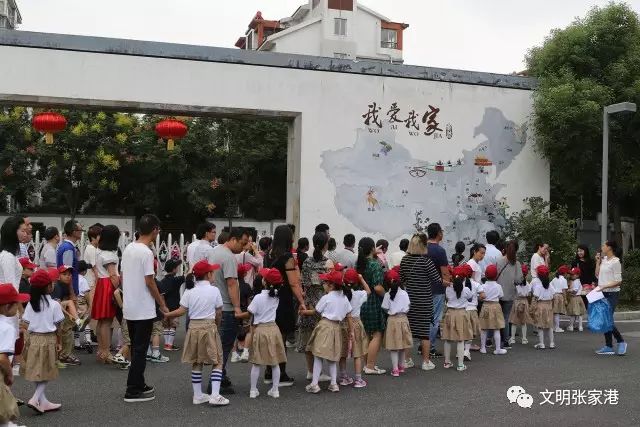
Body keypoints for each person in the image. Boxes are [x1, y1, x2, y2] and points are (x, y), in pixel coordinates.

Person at [164, 260, 228, 406]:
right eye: (212, 271)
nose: (214, 274)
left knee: (197, 361)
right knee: (218, 360)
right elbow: (219, 312)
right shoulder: (214, 290)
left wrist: (168, 315)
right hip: (209, 326)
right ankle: (215, 395)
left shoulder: (189, 291)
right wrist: (217, 326)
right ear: (208, 274)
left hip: (193, 328)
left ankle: (198, 395)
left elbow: (182, 310)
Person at [121, 214, 167, 403]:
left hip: (130, 306)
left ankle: (139, 383)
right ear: (155, 229)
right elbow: (150, 281)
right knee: (140, 349)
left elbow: (124, 275)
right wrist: (161, 303)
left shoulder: (129, 248)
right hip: (143, 308)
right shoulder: (147, 252)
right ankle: (132, 390)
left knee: (136, 347)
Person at [207, 227, 250, 394]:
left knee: (219, 345)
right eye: (243, 243)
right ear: (233, 239)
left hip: (214, 307)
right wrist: (237, 307)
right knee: (224, 347)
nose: (244, 247)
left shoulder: (214, 251)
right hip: (226, 307)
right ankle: (215, 383)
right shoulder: (230, 257)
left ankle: (221, 378)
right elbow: (232, 283)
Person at [262, 225, 306, 387]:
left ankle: (269, 371)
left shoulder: (270, 254)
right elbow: (294, 283)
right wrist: (302, 301)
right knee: (281, 337)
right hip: (283, 298)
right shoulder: (287, 257)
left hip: (271, 298)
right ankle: (280, 374)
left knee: (272, 336)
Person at [300, 269, 352, 394]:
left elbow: (317, 311)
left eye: (325, 282)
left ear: (331, 285)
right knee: (333, 357)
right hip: (337, 328)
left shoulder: (326, 297)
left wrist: (304, 311)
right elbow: (349, 314)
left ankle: (314, 384)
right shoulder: (344, 298)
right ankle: (333, 384)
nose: (323, 284)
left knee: (318, 355)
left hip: (325, 326)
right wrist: (351, 332)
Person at [20, 269, 64, 414]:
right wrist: (59, 343)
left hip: (33, 339)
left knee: (36, 370)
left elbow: (25, 324)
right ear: (48, 287)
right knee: (47, 370)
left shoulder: (31, 304)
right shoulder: (55, 305)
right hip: (48, 339)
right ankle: (35, 398)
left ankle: (43, 401)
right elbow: (59, 326)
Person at [242, 267, 287, 399]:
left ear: (264, 282)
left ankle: (253, 390)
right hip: (273, 329)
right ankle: (275, 390)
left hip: (260, 329)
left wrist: (237, 315)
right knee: (275, 361)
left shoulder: (258, 297)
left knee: (256, 362)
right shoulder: (277, 296)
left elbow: (249, 313)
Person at [399, 233, 440, 371]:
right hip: (424, 299)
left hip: (409, 300)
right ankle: (426, 361)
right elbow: (436, 279)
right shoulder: (426, 262)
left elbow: (402, 279)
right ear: (422, 246)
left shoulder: (405, 260)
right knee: (424, 332)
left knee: (409, 330)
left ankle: (407, 360)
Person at [298, 232, 333, 379]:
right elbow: (328, 286)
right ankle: (319, 372)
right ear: (326, 244)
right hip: (323, 302)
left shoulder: (307, 262)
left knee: (308, 337)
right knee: (321, 339)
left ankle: (310, 371)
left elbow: (304, 283)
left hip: (309, 302)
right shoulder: (328, 263)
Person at [91, 224, 123, 365]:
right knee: (107, 321)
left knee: (101, 321)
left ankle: (101, 350)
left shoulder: (99, 252)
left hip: (101, 285)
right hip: (108, 285)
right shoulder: (109, 255)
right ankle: (106, 352)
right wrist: (121, 289)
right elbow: (113, 275)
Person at [0, 283, 29, 427]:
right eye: (16, 304)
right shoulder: (7, 328)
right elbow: (2, 358)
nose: (19, 307)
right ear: (6, 307)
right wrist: (9, 374)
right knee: (3, 407)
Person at [358, 237, 387, 375]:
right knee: (376, 334)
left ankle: (366, 364)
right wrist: (386, 295)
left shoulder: (359, 264)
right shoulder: (375, 265)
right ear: (371, 249)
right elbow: (377, 287)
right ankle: (370, 365)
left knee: (365, 335)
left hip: (361, 302)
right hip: (374, 301)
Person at [338, 268, 370, 388]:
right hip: (356, 324)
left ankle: (343, 377)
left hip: (342, 324)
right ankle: (358, 379)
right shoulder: (359, 294)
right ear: (356, 282)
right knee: (358, 352)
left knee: (342, 352)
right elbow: (368, 291)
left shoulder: (340, 294)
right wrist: (361, 279)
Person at [594, 240, 626, 356]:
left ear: (610, 248)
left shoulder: (615, 261)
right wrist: (598, 262)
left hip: (612, 293)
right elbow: (597, 274)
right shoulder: (604, 260)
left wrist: (604, 286)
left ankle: (621, 341)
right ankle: (608, 346)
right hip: (602, 293)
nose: (602, 247)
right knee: (604, 320)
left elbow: (618, 281)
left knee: (607, 318)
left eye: (604, 245)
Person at [442, 265, 475, 371]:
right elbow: (470, 298)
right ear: (464, 278)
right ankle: (460, 365)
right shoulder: (466, 290)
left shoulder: (448, 288)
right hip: (461, 314)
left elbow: (447, 299)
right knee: (461, 340)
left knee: (447, 339)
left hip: (450, 313)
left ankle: (447, 362)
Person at [426, 223, 451, 358]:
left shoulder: (422, 248)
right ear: (438, 233)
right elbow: (445, 272)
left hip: (423, 288)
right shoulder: (439, 251)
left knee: (425, 318)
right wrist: (448, 285)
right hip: (437, 288)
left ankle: (423, 345)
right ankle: (430, 347)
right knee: (435, 319)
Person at [381, 268, 412, 377]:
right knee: (402, 345)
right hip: (403, 319)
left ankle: (395, 369)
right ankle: (401, 366)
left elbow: (384, 307)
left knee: (393, 346)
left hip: (392, 320)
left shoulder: (387, 295)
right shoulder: (404, 293)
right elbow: (408, 307)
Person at [51, 265, 81, 366]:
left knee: (68, 332)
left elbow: (74, 299)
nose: (68, 276)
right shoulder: (57, 286)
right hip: (54, 312)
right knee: (65, 332)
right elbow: (58, 305)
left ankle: (65, 355)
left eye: (69, 274)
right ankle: (63, 356)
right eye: (64, 274)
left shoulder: (67, 286)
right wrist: (70, 315)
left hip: (60, 312)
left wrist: (71, 286)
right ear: (58, 276)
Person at [495, 240, 523, 349]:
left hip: (498, 294)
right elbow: (518, 280)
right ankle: (505, 341)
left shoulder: (499, 261)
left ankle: (489, 340)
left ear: (505, 248)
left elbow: (494, 275)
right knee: (506, 318)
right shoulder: (516, 263)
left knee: (496, 317)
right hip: (510, 294)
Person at [478, 265, 507, 355]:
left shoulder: (483, 286)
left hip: (485, 306)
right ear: (496, 275)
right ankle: (497, 348)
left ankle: (483, 348)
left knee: (484, 328)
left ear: (486, 275)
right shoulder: (498, 286)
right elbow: (501, 296)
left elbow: (480, 297)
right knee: (497, 328)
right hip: (495, 306)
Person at [158, 259, 185, 351]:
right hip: (174, 306)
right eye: (177, 267)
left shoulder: (162, 281)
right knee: (173, 325)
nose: (177, 269)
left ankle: (166, 344)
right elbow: (187, 276)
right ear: (174, 269)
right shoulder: (176, 280)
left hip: (164, 306)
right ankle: (170, 345)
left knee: (166, 325)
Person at [230, 263, 252, 363]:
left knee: (233, 333)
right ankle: (245, 350)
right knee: (248, 331)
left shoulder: (231, 286)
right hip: (244, 312)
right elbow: (249, 303)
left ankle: (234, 353)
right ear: (245, 274)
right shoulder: (246, 286)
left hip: (233, 311)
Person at [531, 265, 555, 349]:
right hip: (549, 306)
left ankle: (542, 344)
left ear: (538, 275)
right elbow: (553, 296)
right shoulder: (551, 286)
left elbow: (535, 298)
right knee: (550, 325)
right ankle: (552, 343)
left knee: (540, 326)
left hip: (540, 306)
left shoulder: (538, 286)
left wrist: (532, 309)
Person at [508, 264, 532, 345]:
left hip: (516, 302)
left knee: (514, 321)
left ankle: (512, 338)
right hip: (524, 302)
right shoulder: (528, 284)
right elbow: (529, 294)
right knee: (523, 322)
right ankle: (524, 339)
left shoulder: (515, 283)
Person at [463, 266, 484, 360]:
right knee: (470, 333)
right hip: (472, 311)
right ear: (472, 273)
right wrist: (476, 298)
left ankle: (461, 350)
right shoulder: (476, 284)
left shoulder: (460, 283)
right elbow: (483, 296)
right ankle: (466, 351)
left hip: (462, 310)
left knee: (462, 332)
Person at [57, 220, 82, 296]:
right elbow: (67, 273)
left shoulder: (66, 246)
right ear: (74, 232)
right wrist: (72, 293)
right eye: (80, 230)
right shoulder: (68, 248)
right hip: (68, 291)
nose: (81, 232)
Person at [572, 244, 596, 309]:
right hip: (579, 285)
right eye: (578, 251)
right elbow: (572, 274)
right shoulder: (575, 262)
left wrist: (593, 283)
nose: (579, 253)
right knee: (581, 304)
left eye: (581, 251)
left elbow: (594, 273)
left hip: (590, 285)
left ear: (585, 251)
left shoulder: (591, 261)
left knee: (589, 303)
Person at [565, 267, 586, 332]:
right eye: (571, 274)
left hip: (574, 298)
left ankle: (571, 326)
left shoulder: (576, 281)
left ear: (577, 275)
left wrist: (568, 290)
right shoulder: (576, 281)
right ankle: (580, 326)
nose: (571, 275)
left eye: (573, 274)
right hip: (579, 298)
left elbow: (575, 290)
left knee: (573, 314)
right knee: (579, 313)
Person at [551, 265, 569, 333]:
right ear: (564, 273)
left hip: (554, 295)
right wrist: (565, 299)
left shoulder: (554, 279)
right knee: (557, 313)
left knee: (554, 312)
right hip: (559, 296)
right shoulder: (563, 280)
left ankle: (552, 327)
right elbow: (564, 290)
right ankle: (557, 327)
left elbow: (551, 286)